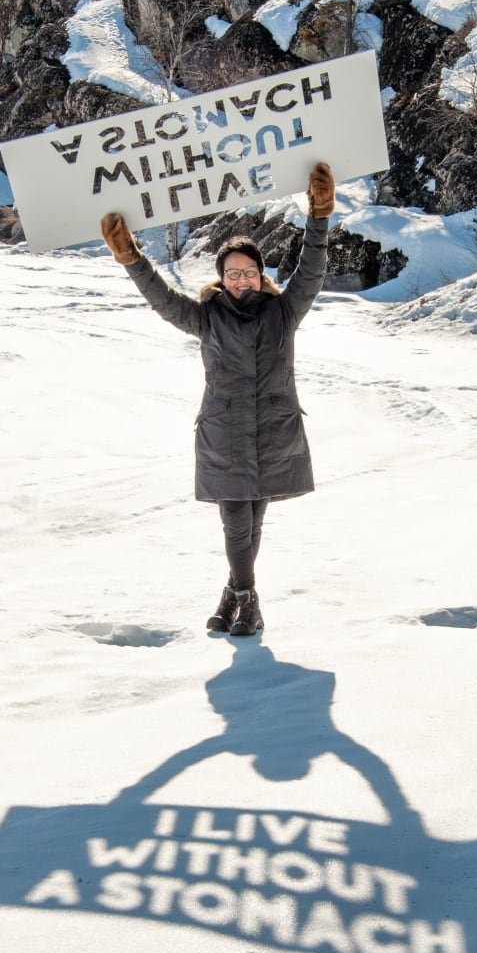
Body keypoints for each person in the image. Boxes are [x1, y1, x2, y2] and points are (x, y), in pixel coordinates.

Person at [100, 161, 335, 636]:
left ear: (261, 275)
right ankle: (249, 602)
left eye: (250, 272)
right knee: (235, 521)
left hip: (272, 428)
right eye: (233, 273)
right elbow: (163, 300)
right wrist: (132, 259)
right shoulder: (207, 318)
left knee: (253, 518)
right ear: (221, 278)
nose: (242, 280)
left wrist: (320, 215)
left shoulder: (284, 312)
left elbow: (311, 270)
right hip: (225, 431)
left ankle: (232, 595)